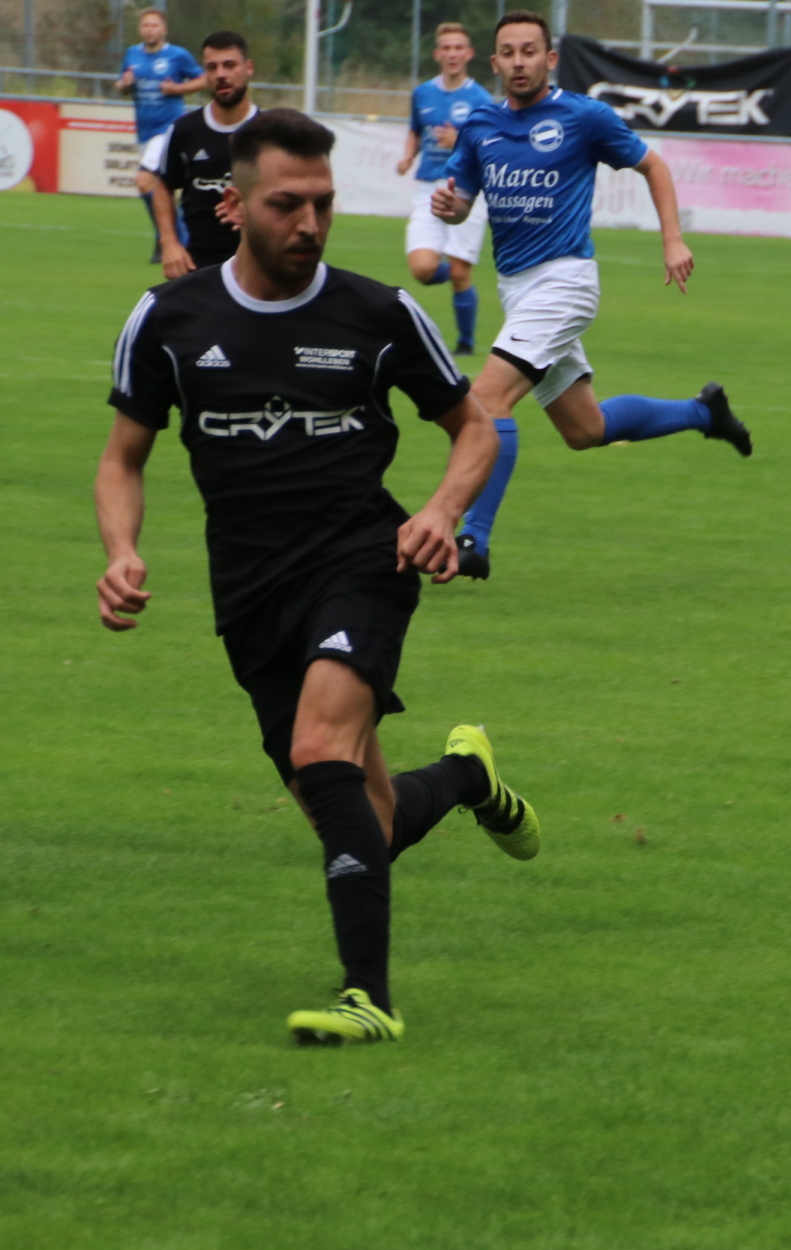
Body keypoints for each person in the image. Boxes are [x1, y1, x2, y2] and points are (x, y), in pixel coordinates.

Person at [97, 108, 541, 1045]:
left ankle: (367, 999)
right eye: (287, 204)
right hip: (249, 592)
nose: (310, 223)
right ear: (235, 203)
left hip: (362, 561)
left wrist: (439, 513)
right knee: (364, 826)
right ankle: (466, 777)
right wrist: (122, 550)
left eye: (324, 203)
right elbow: (122, 458)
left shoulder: (377, 313)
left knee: (318, 749)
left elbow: (474, 428)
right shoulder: (168, 319)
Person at [431, 10, 752, 581]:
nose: (520, 62)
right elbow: (462, 202)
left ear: (550, 59)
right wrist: (448, 207)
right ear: (495, 62)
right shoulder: (481, 123)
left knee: (486, 400)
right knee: (586, 430)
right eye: (509, 52)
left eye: (530, 51)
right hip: (518, 291)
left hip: (565, 282)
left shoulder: (583, 116)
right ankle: (705, 412)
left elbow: (653, 165)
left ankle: (473, 539)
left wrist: (672, 240)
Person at [397, 22, 494, 355]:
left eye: (458, 48)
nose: (453, 54)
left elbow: (489, 147)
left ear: (469, 54)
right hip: (428, 188)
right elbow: (415, 130)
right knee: (422, 269)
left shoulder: (481, 99)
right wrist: (408, 156)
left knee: (460, 270)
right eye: (447, 48)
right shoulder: (422, 94)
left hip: (466, 188)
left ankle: (465, 344)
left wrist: (460, 141)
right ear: (438, 54)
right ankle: (456, 274)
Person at [149, 30, 257, 279]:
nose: (221, 74)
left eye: (229, 65)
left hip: (257, 270)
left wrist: (251, 211)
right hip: (198, 268)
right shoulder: (185, 130)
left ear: (248, 68)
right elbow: (163, 187)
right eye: (212, 67)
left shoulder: (269, 132)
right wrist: (169, 243)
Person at [116, 7, 203, 263]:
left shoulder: (177, 55)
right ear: (140, 29)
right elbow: (120, 85)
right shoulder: (132, 54)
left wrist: (177, 89)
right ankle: (165, 234)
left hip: (167, 130)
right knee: (159, 187)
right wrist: (124, 84)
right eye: (146, 25)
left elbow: (204, 79)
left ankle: (179, 239)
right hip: (144, 133)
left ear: (163, 29)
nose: (150, 30)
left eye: (154, 25)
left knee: (144, 180)